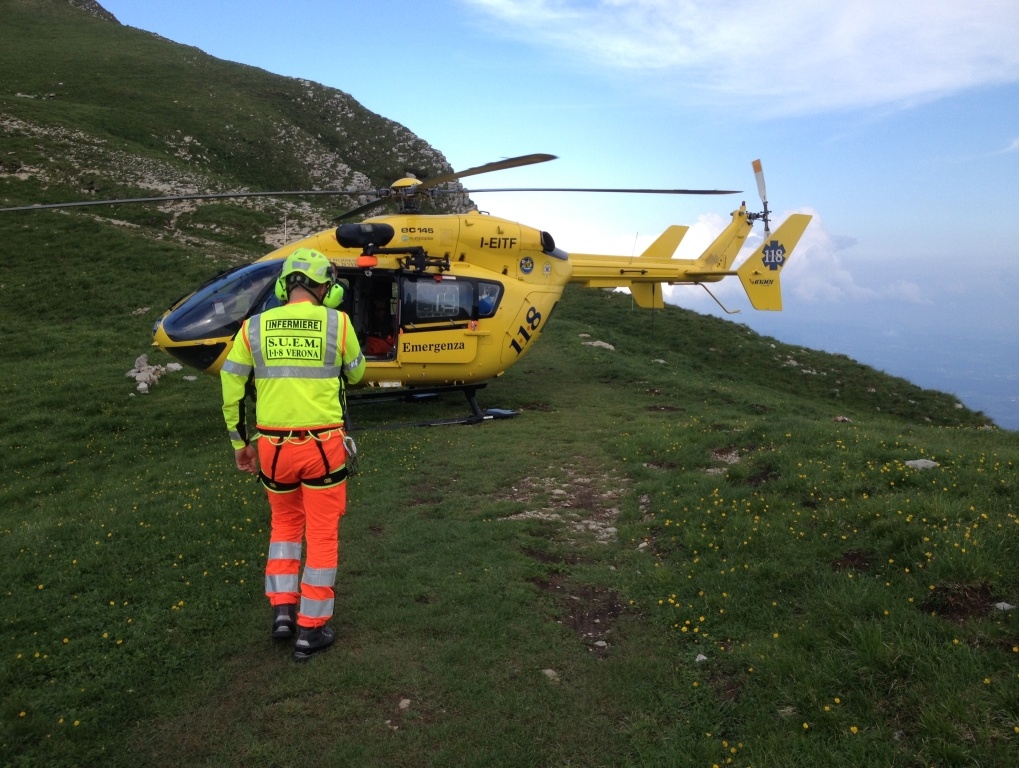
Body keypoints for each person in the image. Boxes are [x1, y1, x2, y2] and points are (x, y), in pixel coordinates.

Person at [221, 248, 366, 661]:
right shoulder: (338, 323)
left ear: (285, 285)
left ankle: (283, 612)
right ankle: (311, 629)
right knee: (321, 533)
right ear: (325, 288)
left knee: (284, 526)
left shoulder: (253, 327)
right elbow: (357, 373)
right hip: (322, 446)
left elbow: (231, 387)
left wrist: (240, 444)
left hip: (272, 448)